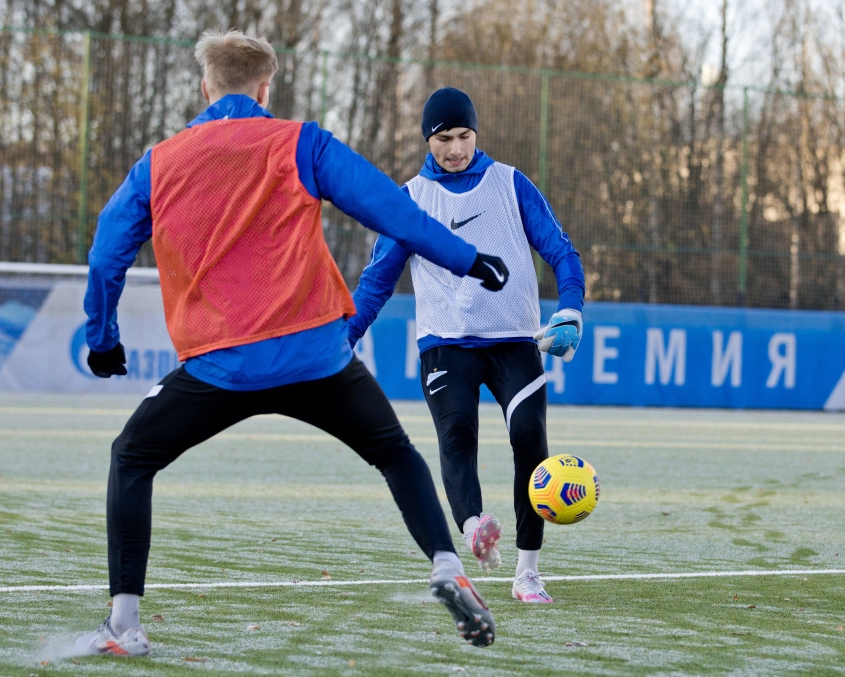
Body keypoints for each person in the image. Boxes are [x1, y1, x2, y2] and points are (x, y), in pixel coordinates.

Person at [76, 33, 510, 657]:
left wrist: (102, 338)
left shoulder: (160, 162)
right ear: (264, 88)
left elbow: (106, 252)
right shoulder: (301, 142)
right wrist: (471, 260)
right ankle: (446, 563)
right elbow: (394, 211)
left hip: (220, 366)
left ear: (206, 88)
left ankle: (125, 623)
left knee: (131, 457)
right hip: (317, 357)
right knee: (393, 451)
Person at [347, 87, 585, 605]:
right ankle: (476, 527)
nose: (455, 148)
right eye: (443, 138)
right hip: (445, 343)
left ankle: (528, 572)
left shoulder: (511, 184)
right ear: (427, 140)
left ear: (476, 133)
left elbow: (562, 252)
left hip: (513, 340)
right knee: (457, 438)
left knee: (529, 438)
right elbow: (374, 284)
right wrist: (342, 336)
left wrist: (570, 309)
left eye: (463, 136)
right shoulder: (408, 199)